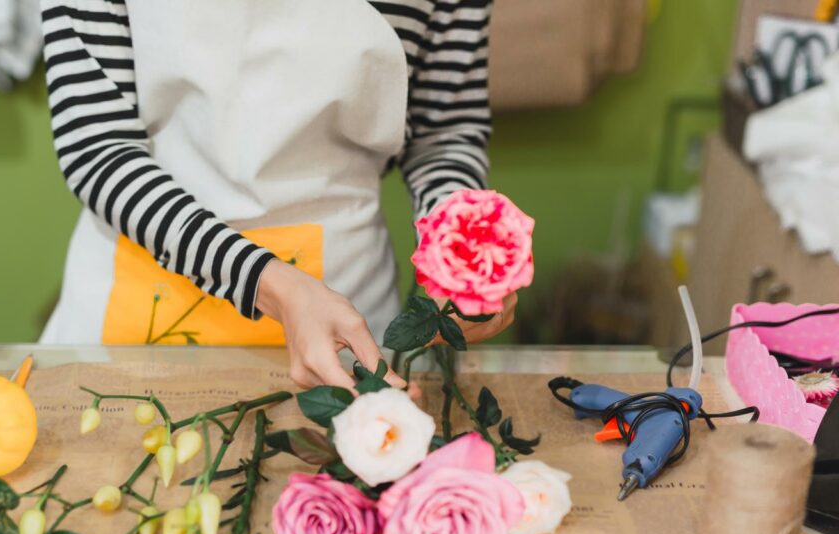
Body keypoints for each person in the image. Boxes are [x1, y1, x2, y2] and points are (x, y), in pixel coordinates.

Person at [40, 0, 516, 388]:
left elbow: (443, 134)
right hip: (144, 276)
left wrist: (462, 244)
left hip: (345, 302)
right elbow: (98, 147)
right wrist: (273, 284)